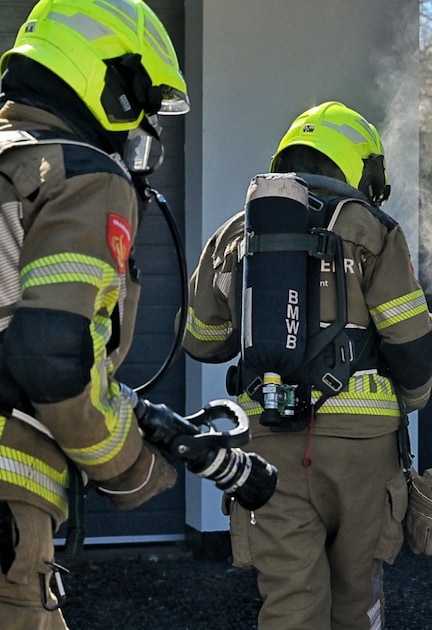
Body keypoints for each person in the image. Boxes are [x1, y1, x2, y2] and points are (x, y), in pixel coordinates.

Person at [183, 101, 432, 630]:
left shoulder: (238, 232)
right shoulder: (373, 231)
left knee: (291, 603)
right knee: (356, 602)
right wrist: (413, 400)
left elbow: (202, 341)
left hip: (271, 446)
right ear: (360, 168)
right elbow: (411, 341)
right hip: (364, 455)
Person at [0, 1, 191, 627]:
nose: (141, 130)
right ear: (110, 83)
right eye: (142, 106)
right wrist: (132, 471)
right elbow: (52, 357)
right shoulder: (81, 174)